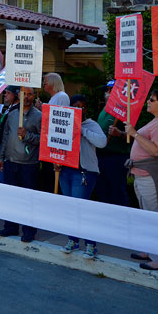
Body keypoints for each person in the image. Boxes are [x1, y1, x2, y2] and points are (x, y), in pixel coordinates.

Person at [118, 89, 158, 271]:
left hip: (154, 176)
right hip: (144, 174)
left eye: (152, 100)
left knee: (156, 216)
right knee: (148, 214)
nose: (148, 102)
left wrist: (135, 133)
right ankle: (150, 250)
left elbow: (157, 151)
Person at [59, 94, 107, 259]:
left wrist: (81, 130)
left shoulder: (91, 124)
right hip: (65, 171)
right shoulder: (63, 122)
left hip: (83, 172)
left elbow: (102, 142)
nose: (79, 109)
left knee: (82, 209)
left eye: (82, 106)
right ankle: (73, 240)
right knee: (70, 209)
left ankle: (91, 244)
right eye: (76, 106)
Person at [0, 86, 42, 243]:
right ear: (20, 96)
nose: (27, 97)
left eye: (30, 94)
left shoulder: (39, 116)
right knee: (11, 197)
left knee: (28, 199)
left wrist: (27, 135)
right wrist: (2, 157)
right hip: (11, 161)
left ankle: (29, 231)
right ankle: (11, 226)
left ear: (34, 96)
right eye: (25, 94)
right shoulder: (13, 114)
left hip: (29, 164)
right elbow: (6, 136)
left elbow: (43, 139)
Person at [96, 81, 131, 207]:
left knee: (117, 192)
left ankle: (122, 221)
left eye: (111, 90)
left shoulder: (125, 110)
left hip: (116, 158)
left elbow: (133, 136)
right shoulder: (105, 109)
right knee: (103, 191)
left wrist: (120, 134)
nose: (108, 93)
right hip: (101, 156)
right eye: (107, 90)